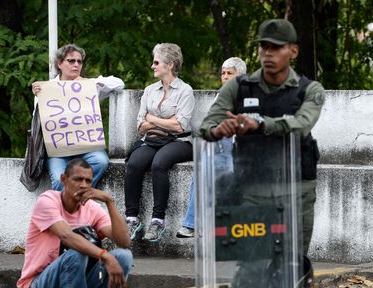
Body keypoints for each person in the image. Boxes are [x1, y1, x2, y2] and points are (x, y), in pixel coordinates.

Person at [200, 19, 325, 254]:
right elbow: (207, 125)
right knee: (253, 262)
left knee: (293, 262)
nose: (268, 53)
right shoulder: (238, 87)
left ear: (293, 51)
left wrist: (259, 124)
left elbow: (302, 125)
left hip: (297, 185)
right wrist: (220, 130)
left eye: (276, 47)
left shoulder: (310, 89)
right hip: (253, 184)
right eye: (264, 47)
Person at [17, 158, 133, 288]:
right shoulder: (47, 201)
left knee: (124, 256)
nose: (83, 185)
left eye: (88, 181)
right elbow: (67, 236)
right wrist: (105, 256)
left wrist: (109, 201)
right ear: (63, 180)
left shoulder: (91, 208)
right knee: (77, 253)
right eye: (78, 179)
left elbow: (124, 241)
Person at [124, 43, 194, 243]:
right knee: (134, 164)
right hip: (152, 140)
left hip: (179, 142)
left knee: (159, 164)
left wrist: (152, 120)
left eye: (156, 62)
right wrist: (164, 123)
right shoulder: (149, 90)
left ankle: (158, 220)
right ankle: (132, 219)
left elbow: (180, 126)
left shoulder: (185, 91)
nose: (153, 66)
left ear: (170, 65)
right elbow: (140, 124)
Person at [30, 44, 124, 191]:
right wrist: (39, 97)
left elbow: (119, 83)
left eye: (79, 61)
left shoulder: (88, 86)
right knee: (61, 179)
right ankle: (73, 206)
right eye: (71, 61)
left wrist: (92, 82)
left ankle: (77, 199)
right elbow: (38, 125)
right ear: (60, 64)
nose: (76, 64)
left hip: (86, 147)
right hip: (57, 150)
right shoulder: (45, 89)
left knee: (101, 161)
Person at [176, 57, 247, 238]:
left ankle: (196, 224)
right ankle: (193, 224)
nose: (224, 76)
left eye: (229, 73)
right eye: (222, 73)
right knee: (202, 169)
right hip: (221, 147)